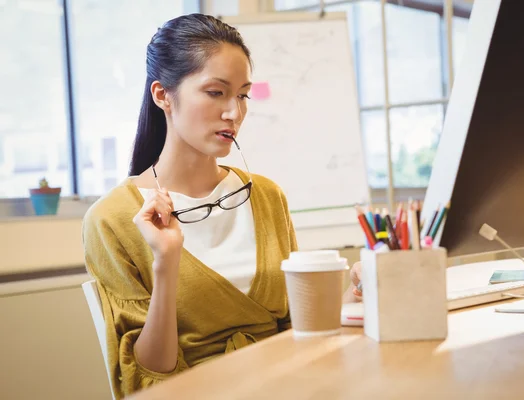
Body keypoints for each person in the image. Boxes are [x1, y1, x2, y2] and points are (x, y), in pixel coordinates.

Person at [82, 13, 362, 398]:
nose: (235, 112)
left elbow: (299, 332)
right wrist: (165, 264)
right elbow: (146, 377)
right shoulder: (111, 219)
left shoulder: (266, 196)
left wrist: (353, 296)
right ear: (163, 95)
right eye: (216, 92)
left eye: (243, 94)